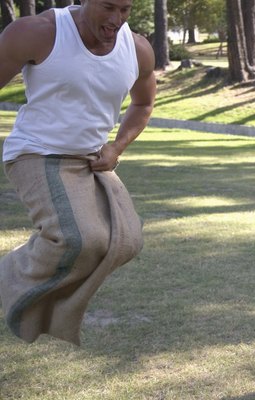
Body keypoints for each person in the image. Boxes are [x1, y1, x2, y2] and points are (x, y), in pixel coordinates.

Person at [0, 0, 156, 345]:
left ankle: (41, 299)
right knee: (78, 238)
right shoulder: (38, 33)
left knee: (126, 240)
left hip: (92, 158)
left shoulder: (138, 48)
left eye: (126, 10)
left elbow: (143, 103)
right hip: (36, 152)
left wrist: (117, 148)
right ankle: (8, 276)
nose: (116, 20)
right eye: (108, 7)